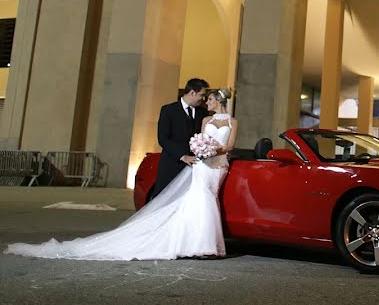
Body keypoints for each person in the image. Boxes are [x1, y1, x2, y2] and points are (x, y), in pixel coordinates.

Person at [4, 88, 239, 260]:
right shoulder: (205, 119)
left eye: (208, 99)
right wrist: (201, 149)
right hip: (202, 165)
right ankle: (198, 245)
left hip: (217, 164)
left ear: (218, 101)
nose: (205, 102)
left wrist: (212, 150)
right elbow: (195, 138)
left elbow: (229, 146)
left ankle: (197, 242)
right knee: (199, 200)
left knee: (206, 199)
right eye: (204, 97)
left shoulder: (232, 121)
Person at [148, 78, 210, 201]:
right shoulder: (168, 110)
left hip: (193, 167)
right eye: (202, 95)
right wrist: (183, 156)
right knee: (163, 200)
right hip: (171, 164)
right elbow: (163, 138)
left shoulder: (203, 113)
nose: (203, 99)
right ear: (192, 92)